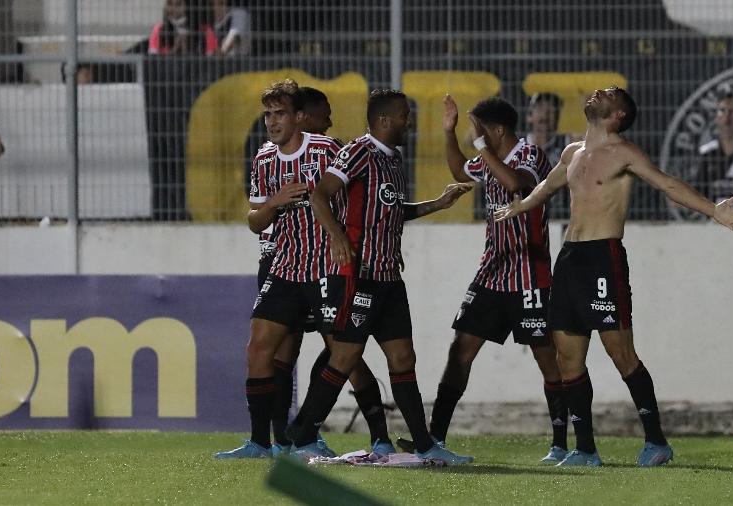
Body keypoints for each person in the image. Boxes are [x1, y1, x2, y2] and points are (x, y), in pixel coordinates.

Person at [495, 86, 733, 467]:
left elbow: (666, 183)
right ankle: (585, 450)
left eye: (608, 94)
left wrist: (712, 210)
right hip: (569, 259)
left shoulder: (624, 153)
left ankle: (657, 442)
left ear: (617, 115)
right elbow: (548, 186)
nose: (598, 93)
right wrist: (522, 205)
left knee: (621, 353)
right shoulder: (572, 152)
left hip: (603, 258)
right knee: (568, 359)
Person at [286, 89, 474, 465]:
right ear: (385, 121)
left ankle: (424, 444)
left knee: (403, 358)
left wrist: (436, 204)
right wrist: (338, 239)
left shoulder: (393, 159)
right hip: (359, 276)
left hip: (389, 278)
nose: (410, 121)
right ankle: (302, 435)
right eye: (405, 115)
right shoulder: (358, 151)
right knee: (344, 358)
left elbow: (389, 210)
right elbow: (319, 195)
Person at [214, 80, 387, 459]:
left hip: (327, 267)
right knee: (260, 349)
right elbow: (255, 222)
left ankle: (375, 436)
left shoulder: (328, 150)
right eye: (267, 115)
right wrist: (273, 203)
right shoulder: (263, 159)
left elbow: (363, 195)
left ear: (297, 117)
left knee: (345, 354)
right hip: (286, 267)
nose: (272, 122)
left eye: (279, 114)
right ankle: (261, 442)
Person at [407, 95, 568, 463]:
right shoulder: (488, 157)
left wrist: (480, 147)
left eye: (476, 129)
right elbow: (460, 173)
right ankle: (435, 440)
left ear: (497, 130)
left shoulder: (531, 155)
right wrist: (448, 133)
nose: (471, 135)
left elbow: (515, 185)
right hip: (493, 272)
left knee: (547, 358)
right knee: (460, 350)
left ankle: (560, 443)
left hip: (530, 274)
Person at [526, 92, 572, 220]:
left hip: (558, 217)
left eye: (551, 110)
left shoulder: (566, 143)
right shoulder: (518, 145)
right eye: (540, 108)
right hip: (524, 216)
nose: (545, 115)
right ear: (529, 116)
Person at [148, 0, 218, 56]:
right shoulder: (159, 29)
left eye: (178, 4)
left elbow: (209, 65)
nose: (173, 8)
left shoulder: (206, 32)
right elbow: (152, 64)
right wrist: (174, 51)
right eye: (169, 3)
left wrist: (187, 51)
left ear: (189, 6)